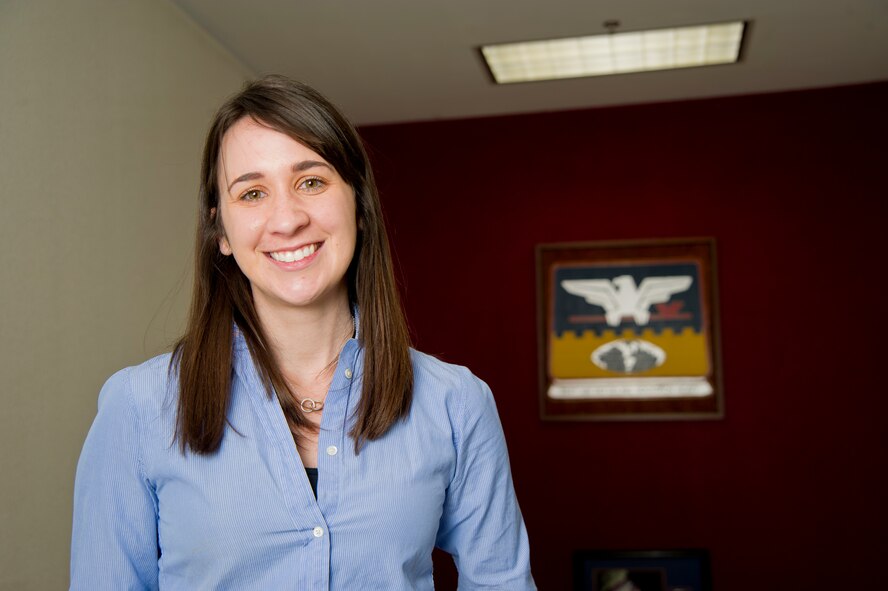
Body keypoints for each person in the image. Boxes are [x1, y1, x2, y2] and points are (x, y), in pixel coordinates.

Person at [69, 75, 535, 590]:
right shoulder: (138, 407)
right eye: (252, 193)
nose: (287, 219)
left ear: (357, 202)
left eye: (310, 181)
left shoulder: (456, 404)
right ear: (220, 230)